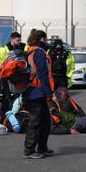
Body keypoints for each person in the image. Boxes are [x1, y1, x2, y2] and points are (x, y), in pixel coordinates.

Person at [22, 29, 54, 159]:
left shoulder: (30, 51)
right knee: (35, 122)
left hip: (32, 91)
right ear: (41, 39)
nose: (47, 42)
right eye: (46, 39)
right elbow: (42, 75)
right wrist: (49, 93)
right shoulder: (39, 53)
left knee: (45, 121)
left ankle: (42, 147)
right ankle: (29, 150)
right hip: (36, 92)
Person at [0, 31, 24, 120]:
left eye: (19, 40)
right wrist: (6, 68)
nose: (18, 42)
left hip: (17, 76)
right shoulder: (3, 49)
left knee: (18, 97)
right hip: (6, 77)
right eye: (17, 40)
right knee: (6, 97)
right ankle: (4, 118)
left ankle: (15, 116)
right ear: (12, 39)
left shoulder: (22, 47)